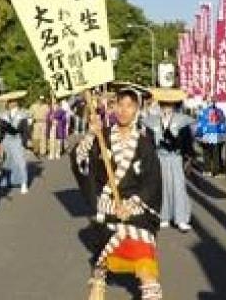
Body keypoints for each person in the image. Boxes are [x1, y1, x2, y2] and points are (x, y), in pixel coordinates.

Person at [71, 87, 163, 300]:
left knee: (145, 261)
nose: (123, 110)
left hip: (135, 208)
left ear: (137, 110)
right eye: (119, 105)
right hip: (107, 206)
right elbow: (80, 162)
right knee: (104, 255)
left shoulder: (144, 143)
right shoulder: (102, 137)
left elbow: (152, 181)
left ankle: (149, 290)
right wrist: (90, 136)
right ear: (113, 108)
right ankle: (99, 277)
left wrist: (130, 205)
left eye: (129, 106)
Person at [144, 88, 195, 232]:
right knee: (162, 187)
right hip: (160, 158)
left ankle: (181, 218)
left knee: (178, 187)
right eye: (164, 105)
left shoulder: (181, 121)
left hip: (176, 157)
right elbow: (148, 141)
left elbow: (187, 141)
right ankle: (163, 216)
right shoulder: (153, 121)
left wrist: (189, 157)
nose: (167, 108)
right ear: (160, 105)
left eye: (170, 105)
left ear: (175, 106)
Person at [0, 90, 30, 194]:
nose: (12, 104)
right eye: (10, 102)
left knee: (20, 161)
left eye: (14, 101)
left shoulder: (22, 114)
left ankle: (23, 182)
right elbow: (0, 129)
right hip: (6, 139)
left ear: (17, 102)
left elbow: (25, 129)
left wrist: (25, 141)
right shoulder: (3, 115)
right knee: (6, 160)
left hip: (17, 139)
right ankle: (6, 180)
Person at [194, 100, 226, 176]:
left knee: (206, 153)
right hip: (217, 135)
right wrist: (225, 133)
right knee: (217, 153)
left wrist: (198, 134)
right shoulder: (220, 112)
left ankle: (207, 170)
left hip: (206, 135)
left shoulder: (203, 112)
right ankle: (217, 171)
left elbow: (200, 124)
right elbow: (224, 123)